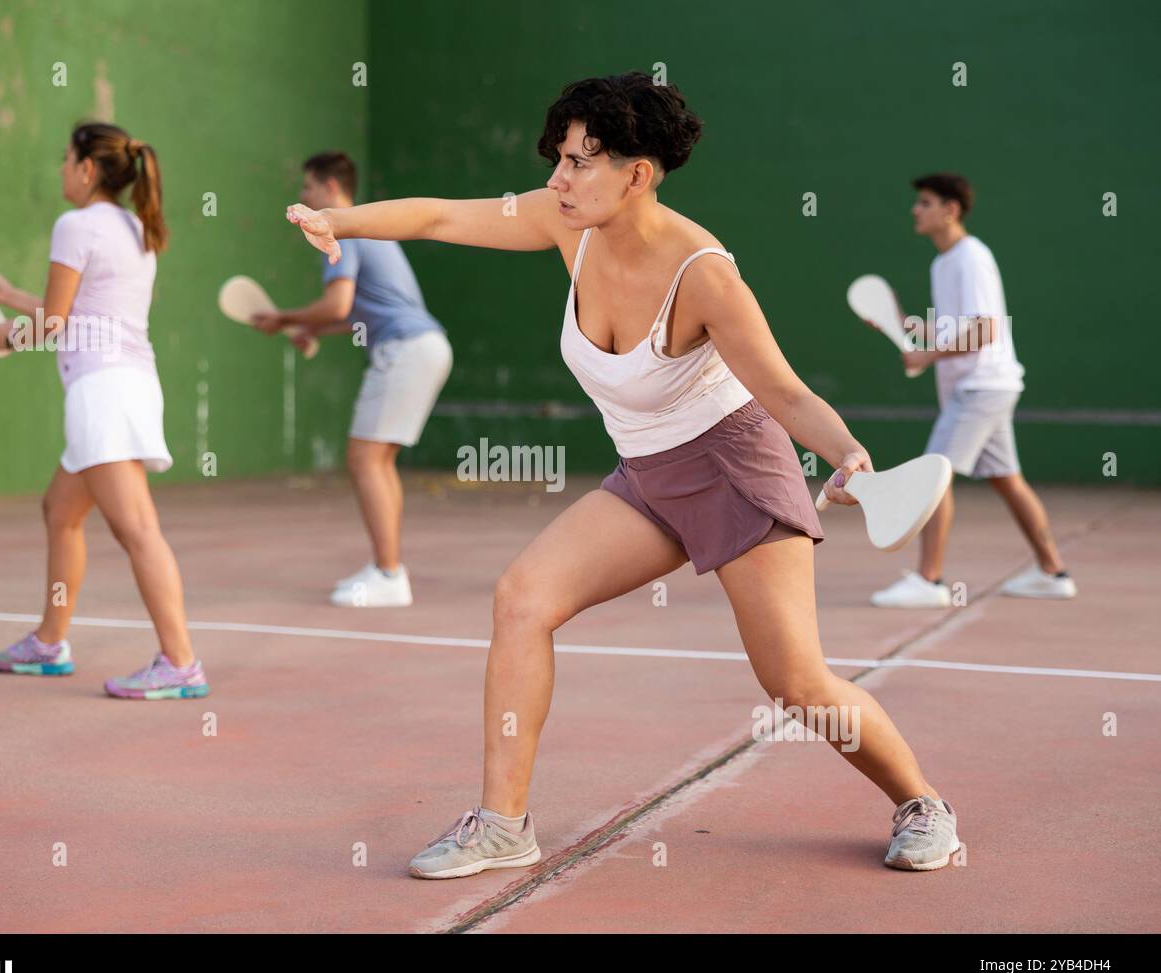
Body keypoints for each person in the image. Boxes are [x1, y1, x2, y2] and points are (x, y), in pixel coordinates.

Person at [287, 72, 960, 876]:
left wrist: (848, 454)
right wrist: (337, 221)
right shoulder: (560, 221)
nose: (558, 179)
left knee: (795, 681)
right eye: (559, 158)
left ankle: (923, 803)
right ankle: (504, 825)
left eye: (580, 162)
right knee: (523, 599)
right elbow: (436, 216)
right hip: (645, 474)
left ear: (637, 174)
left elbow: (783, 390)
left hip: (734, 469)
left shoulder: (702, 272)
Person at [0, 122, 209, 700]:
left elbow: (56, 325)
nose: (59, 168)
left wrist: (8, 335)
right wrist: (10, 297)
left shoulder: (75, 225)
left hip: (102, 392)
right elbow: (84, 311)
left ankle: (180, 663)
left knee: (139, 531)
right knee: (61, 510)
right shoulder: (136, 227)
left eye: (65, 159)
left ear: (86, 169)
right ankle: (49, 643)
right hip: (129, 384)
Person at [251, 151, 452, 608]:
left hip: (405, 350)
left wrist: (283, 318)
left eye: (307, 187)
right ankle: (389, 570)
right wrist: (311, 328)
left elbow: (339, 305)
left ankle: (388, 574)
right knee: (376, 462)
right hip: (426, 345)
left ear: (329, 189)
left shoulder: (339, 227)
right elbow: (366, 310)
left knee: (365, 460)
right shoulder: (372, 228)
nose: (301, 196)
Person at [872, 173, 1075, 608]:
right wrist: (906, 324)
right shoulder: (944, 262)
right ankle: (1053, 572)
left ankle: (930, 581)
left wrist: (926, 357)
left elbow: (985, 330)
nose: (915, 210)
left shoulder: (970, 257)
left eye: (925, 203)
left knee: (935, 475)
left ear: (951, 209)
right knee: (1007, 480)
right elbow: (956, 328)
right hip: (991, 386)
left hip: (980, 388)